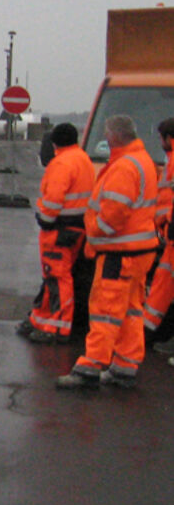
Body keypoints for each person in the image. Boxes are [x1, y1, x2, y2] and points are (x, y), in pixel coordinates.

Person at [58, 115, 159, 389]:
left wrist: (94, 231)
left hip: (119, 253)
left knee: (105, 309)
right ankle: (125, 365)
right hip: (138, 251)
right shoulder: (142, 161)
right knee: (130, 310)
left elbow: (114, 214)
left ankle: (90, 366)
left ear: (114, 136)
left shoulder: (125, 167)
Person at [16, 123, 94, 344]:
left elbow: (53, 200)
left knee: (58, 277)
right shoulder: (83, 159)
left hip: (60, 229)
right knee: (54, 277)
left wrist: (44, 219)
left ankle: (58, 327)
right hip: (78, 228)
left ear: (54, 143)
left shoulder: (61, 163)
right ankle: (41, 319)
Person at [144, 119, 174, 345]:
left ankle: (150, 333)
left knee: (163, 285)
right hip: (165, 233)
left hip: (169, 233)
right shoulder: (169, 162)